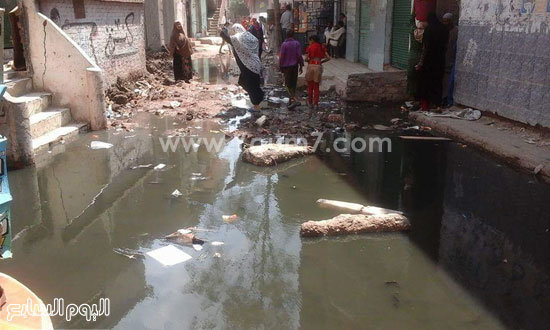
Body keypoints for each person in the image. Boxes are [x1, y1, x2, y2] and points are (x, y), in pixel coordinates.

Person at [221, 24, 264, 111]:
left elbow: (229, 39)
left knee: (252, 86)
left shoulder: (239, 38)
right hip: (255, 64)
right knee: (245, 82)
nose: (233, 33)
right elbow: (256, 42)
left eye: (233, 31)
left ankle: (257, 106)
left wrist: (223, 32)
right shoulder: (249, 36)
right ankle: (259, 97)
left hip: (249, 66)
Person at [415, 13, 449, 111]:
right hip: (440, 61)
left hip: (429, 61)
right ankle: (438, 104)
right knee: (438, 82)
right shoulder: (444, 29)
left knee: (426, 82)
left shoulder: (429, 30)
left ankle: (425, 106)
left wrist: (421, 63)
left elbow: (425, 48)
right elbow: (446, 45)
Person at [279, 29, 304, 109]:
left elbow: (281, 57)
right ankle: (292, 99)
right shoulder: (297, 43)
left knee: (287, 84)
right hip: (294, 66)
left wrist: (280, 66)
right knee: (293, 83)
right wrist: (301, 65)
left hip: (286, 67)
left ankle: (293, 99)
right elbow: (299, 55)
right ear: (293, 35)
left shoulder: (284, 44)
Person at [305, 35, 330, 111]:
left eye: (309, 41)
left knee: (310, 86)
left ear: (312, 40)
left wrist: (308, 61)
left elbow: (306, 59)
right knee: (316, 87)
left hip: (311, 66)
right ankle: (316, 104)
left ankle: (310, 103)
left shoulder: (310, 47)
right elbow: (328, 58)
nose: (309, 42)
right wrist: (321, 62)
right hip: (318, 66)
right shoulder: (321, 47)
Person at [406, 13, 423, 104]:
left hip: (412, 58)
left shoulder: (413, 32)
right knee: (418, 79)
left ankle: (411, 96)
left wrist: (414, 13)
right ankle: (418, 98)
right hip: (420, 58)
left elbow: (410, 23)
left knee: (411, 77)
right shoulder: (425, 35)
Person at [442, 12, 458, 107]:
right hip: (444, 59)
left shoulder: (456, 31)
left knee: (450, 81)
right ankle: (444, 98)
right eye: (444, 21)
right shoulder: (443, 30)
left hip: (452, 59)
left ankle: (448, 99)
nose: (445, 23)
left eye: (447, 21)